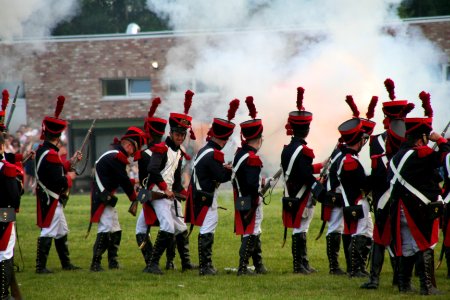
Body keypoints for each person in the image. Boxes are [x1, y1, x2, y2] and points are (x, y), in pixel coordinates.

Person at [389, 91, 450, 295]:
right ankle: (427, 286)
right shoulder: (421, 152)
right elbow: (443, 157)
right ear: (422, 136)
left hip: (400, 208)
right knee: (427, 243)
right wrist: (440, 140)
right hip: (418, 208)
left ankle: (405, 284)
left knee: (406, 246)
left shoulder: (398, 155)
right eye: (426, 135)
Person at [361, 78, 413, 289]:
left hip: (382, 195)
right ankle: (399, 280)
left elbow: (377, 172)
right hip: (404, 194)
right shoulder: (410, 140)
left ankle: (375, 279)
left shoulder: (375, 141)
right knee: (401, 237)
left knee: (381, 236)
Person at [145, 90, 197, 275]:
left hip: (168, 194)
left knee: (181, 228)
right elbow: (152, 170)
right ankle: (152, 264)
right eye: (177, 133)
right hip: (157, 193)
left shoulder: (179, 152)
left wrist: (182, 192)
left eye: (183, 134)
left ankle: (186, 263)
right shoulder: (161, 148)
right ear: (171, 132)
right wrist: (166, 189)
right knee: (167, 226)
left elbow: (175, 178)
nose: (180, 137)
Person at [185, 99, 239, 275]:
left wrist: (224, 168)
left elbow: (212, 171)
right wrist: (232, 170)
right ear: (224, 138)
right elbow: (221, 176)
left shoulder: (205, 150)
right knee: (208, 227)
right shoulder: (214, 154)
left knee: (208, 226)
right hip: (205, 194)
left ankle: (205, 265)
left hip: (201, 192)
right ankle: (205, 266)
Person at [34, 95, 82, 273]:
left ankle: (66, 264)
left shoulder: (43, 150)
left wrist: (71, 161)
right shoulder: (52, 154)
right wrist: (71, 177)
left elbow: (57, 168)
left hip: (49, 196)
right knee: (48, 231)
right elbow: (58, 180)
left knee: (61, 230)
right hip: (52, 197)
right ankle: (40, 267)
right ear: (58, 135)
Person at [281, 87, 326, 274]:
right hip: (301, 193)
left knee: (301, 228)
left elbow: (298, 170)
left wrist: (318, 166)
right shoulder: (305, 151)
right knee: (301, 228)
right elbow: (305, 175)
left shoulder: (287, 148)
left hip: (291, 192)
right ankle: (299, 265)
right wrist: (318, 181)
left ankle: (303, 263)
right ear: (307, 129)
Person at [89, 126, 146, 271]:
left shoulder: (114, 155)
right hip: (102, 197)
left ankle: (112, 262)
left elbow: (119, 178)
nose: (133, 154)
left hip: (106, 196)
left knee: (115, 229)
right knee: (106, 227)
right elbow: (123, 180)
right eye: (134, 149)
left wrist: (136, 182)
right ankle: (95, 263)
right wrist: (134, 198)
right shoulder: (117, 157)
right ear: (127, 145)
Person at [134, 97, 175, 272]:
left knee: (167, 227)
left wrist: (163, 188)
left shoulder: (147, 154)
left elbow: (149, 174)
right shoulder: (169, 151)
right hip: (157, 193)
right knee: (142, 229)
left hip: (157, 193)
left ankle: (153, 263)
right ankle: (152, 262)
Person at [330, 116, 372, 278]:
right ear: (358, 140)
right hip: (356, 201)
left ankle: (359, 268)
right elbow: (361, 183)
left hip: (355, 201)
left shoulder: (348, 158)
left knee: (365, 232)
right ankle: (355, 269)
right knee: (359, 234)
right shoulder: (350, 161)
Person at [232, 96, 267, 276]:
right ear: (259, 138)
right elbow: (251, 185)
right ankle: (243, 268)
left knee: (253, 230)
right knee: (251, 231)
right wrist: (258, 196)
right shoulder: (252, 158)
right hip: (250, 199)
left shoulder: (241, 154)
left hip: (241, 198)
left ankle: (259, 265)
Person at [0, 120, 22, 299]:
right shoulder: (6, 169)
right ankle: (3, 293)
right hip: (4, 212)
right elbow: (14, 198)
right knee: (5, 251)